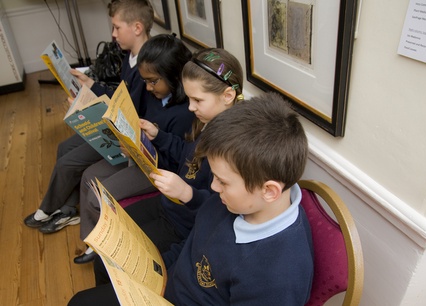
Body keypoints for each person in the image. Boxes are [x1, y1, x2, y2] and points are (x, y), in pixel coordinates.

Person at [68, 92, 314, 306]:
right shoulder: (237, 201)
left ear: (269, 191)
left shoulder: (279, 275)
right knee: (97, 275)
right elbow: (192, 247)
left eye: (223, 181)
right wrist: (150, 272)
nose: (213, 186)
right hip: (166, 284)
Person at [23, 0, 156, 233]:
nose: (113, 35)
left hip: (124, 132)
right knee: (64, 148)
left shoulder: (148, 66)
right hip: (113, 120)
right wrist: (91, 85)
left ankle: (50, 207)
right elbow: (120, 96)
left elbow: (133, 110)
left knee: (67, 162)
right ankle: (67, 208)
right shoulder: (130, 57)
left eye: (116, 28)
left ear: (137, 28)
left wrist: (92, 107)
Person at [74, 33, 195, 264]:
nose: (148, 87)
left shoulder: (182, 114)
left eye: (153, 81)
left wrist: (139, 150)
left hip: (156, 168)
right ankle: (91, 240)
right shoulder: (154, 94)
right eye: (145, 81)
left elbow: (174, 164)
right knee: (89, 175)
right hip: (136, 154)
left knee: (97, 195)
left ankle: (104, 247)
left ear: (174, 75)